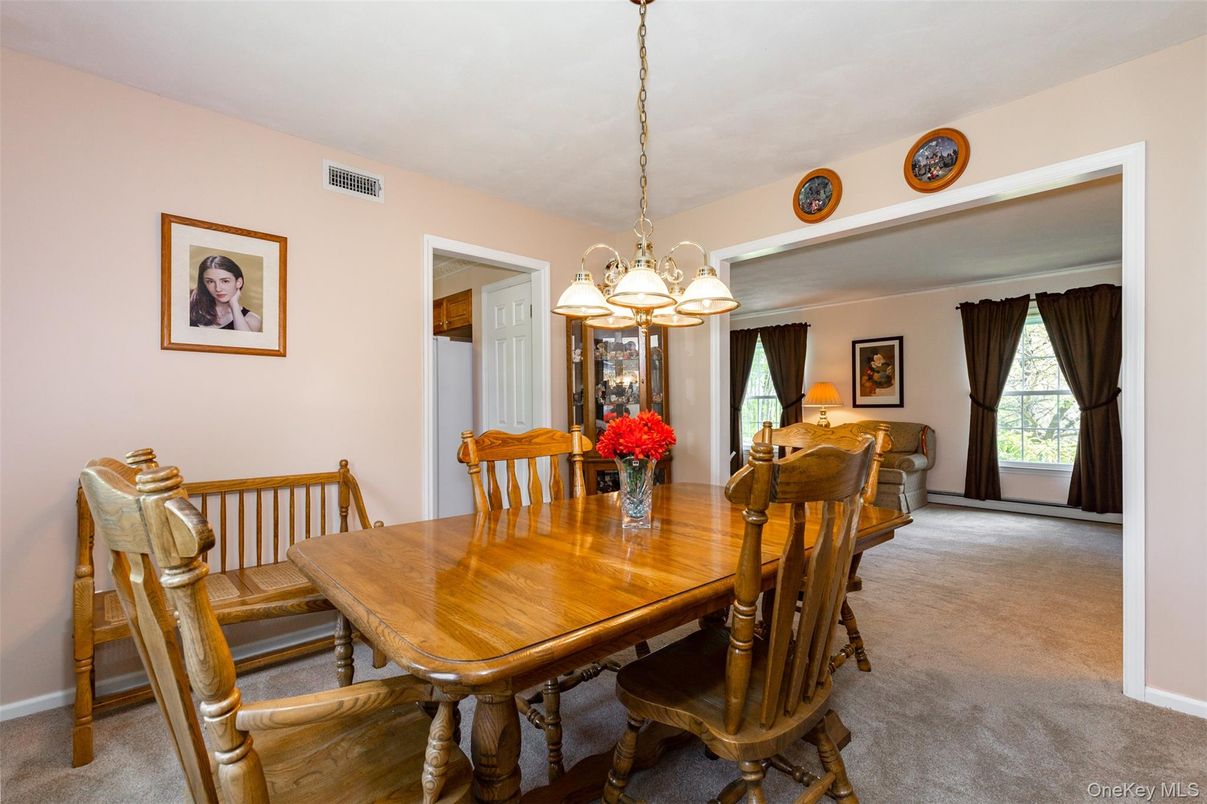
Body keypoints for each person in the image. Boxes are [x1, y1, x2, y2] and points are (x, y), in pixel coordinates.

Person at [189, 255, 262, 331]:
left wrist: (234, 304)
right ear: (204, 283)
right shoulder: (189, 303)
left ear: (238, 283)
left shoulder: (252, 320)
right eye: (210, 281)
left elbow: (245, 341)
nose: (218, 288)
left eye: (225, 281)